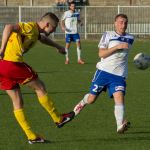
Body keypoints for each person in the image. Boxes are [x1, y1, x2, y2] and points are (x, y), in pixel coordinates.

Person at [0, 12, 74, 144]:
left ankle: (31, 136)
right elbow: (8, 27)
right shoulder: (29, 27)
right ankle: (58, 118)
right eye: (54, 27)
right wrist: (2, 48)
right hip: (12, 63)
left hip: (1, 67)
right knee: (40, 87)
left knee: (17, 102)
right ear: (47, 24)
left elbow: (41, 38)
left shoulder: (35, 32)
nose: (54, 30)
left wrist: (57, 46)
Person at [69, 14, 134, 133]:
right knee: (91, 99)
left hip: (119, 76)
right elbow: (101, 54)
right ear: (115, 23)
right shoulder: (108, 35)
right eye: (120, 22)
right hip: (103, 72)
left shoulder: (131, 38)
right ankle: (82, 102)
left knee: (119, 97)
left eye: (125, 22)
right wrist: (117, 47)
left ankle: (119, 125)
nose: (123, 25)